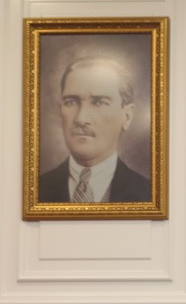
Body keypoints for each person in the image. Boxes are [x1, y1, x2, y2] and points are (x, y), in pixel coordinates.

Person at [38, 56, 151, 203]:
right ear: (61, 109)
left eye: (100, 103)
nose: (81, 119)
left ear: (127, 116)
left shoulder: (149, 194)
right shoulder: (35, 190)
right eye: (71, 102)